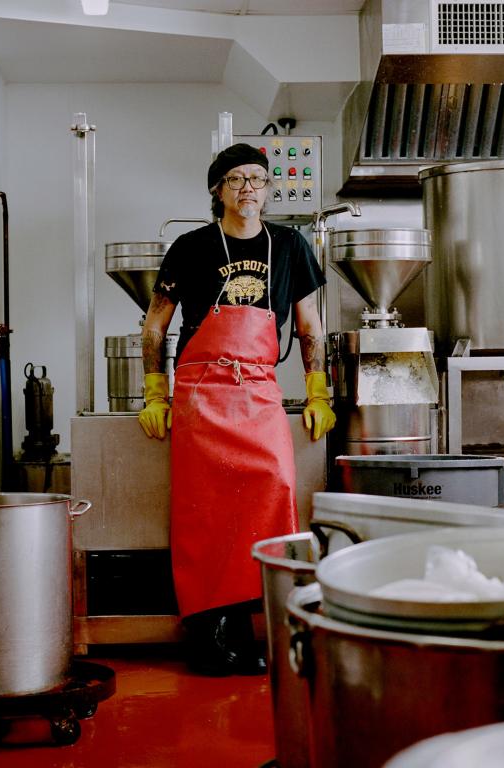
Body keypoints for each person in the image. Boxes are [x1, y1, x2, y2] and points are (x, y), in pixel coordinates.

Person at [138, 143, 336, 676]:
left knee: (273, 491)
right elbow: (156, 323)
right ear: (217, 190)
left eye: (257, 179)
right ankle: (208, 631)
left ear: (269, 190)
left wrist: (318, 390)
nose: (248, 188)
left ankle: (251, 622)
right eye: (235, 180)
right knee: (205, 515)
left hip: (259, 391)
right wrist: (156, 391)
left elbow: (309, 326)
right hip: (202, 392)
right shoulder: (191, 245)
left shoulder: (291, 245)